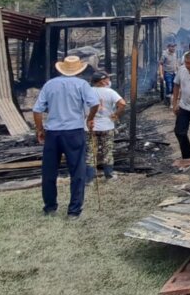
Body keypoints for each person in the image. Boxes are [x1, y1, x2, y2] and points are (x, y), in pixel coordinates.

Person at [32, 55, 100, 218]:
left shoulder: (50, 84)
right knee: (77, 171)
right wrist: (89, 118)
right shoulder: (82, 84)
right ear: (79, 70)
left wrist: (40, 129)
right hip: (74, 132)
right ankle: (74, 211)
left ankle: (50, 207)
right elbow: (95, 104)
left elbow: (37, 110)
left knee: (49, 171)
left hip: (53, 133)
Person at [85, 71, 125, 180]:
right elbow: (122, 103)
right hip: (107, 126)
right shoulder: (110, 92)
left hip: (90, 126)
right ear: (102, 81)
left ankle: (89, 178)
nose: (109, 81)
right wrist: (116, 114)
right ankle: (109, 175)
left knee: (90, 152)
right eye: (107, 79)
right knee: (107, 151)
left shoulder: (86, 92)